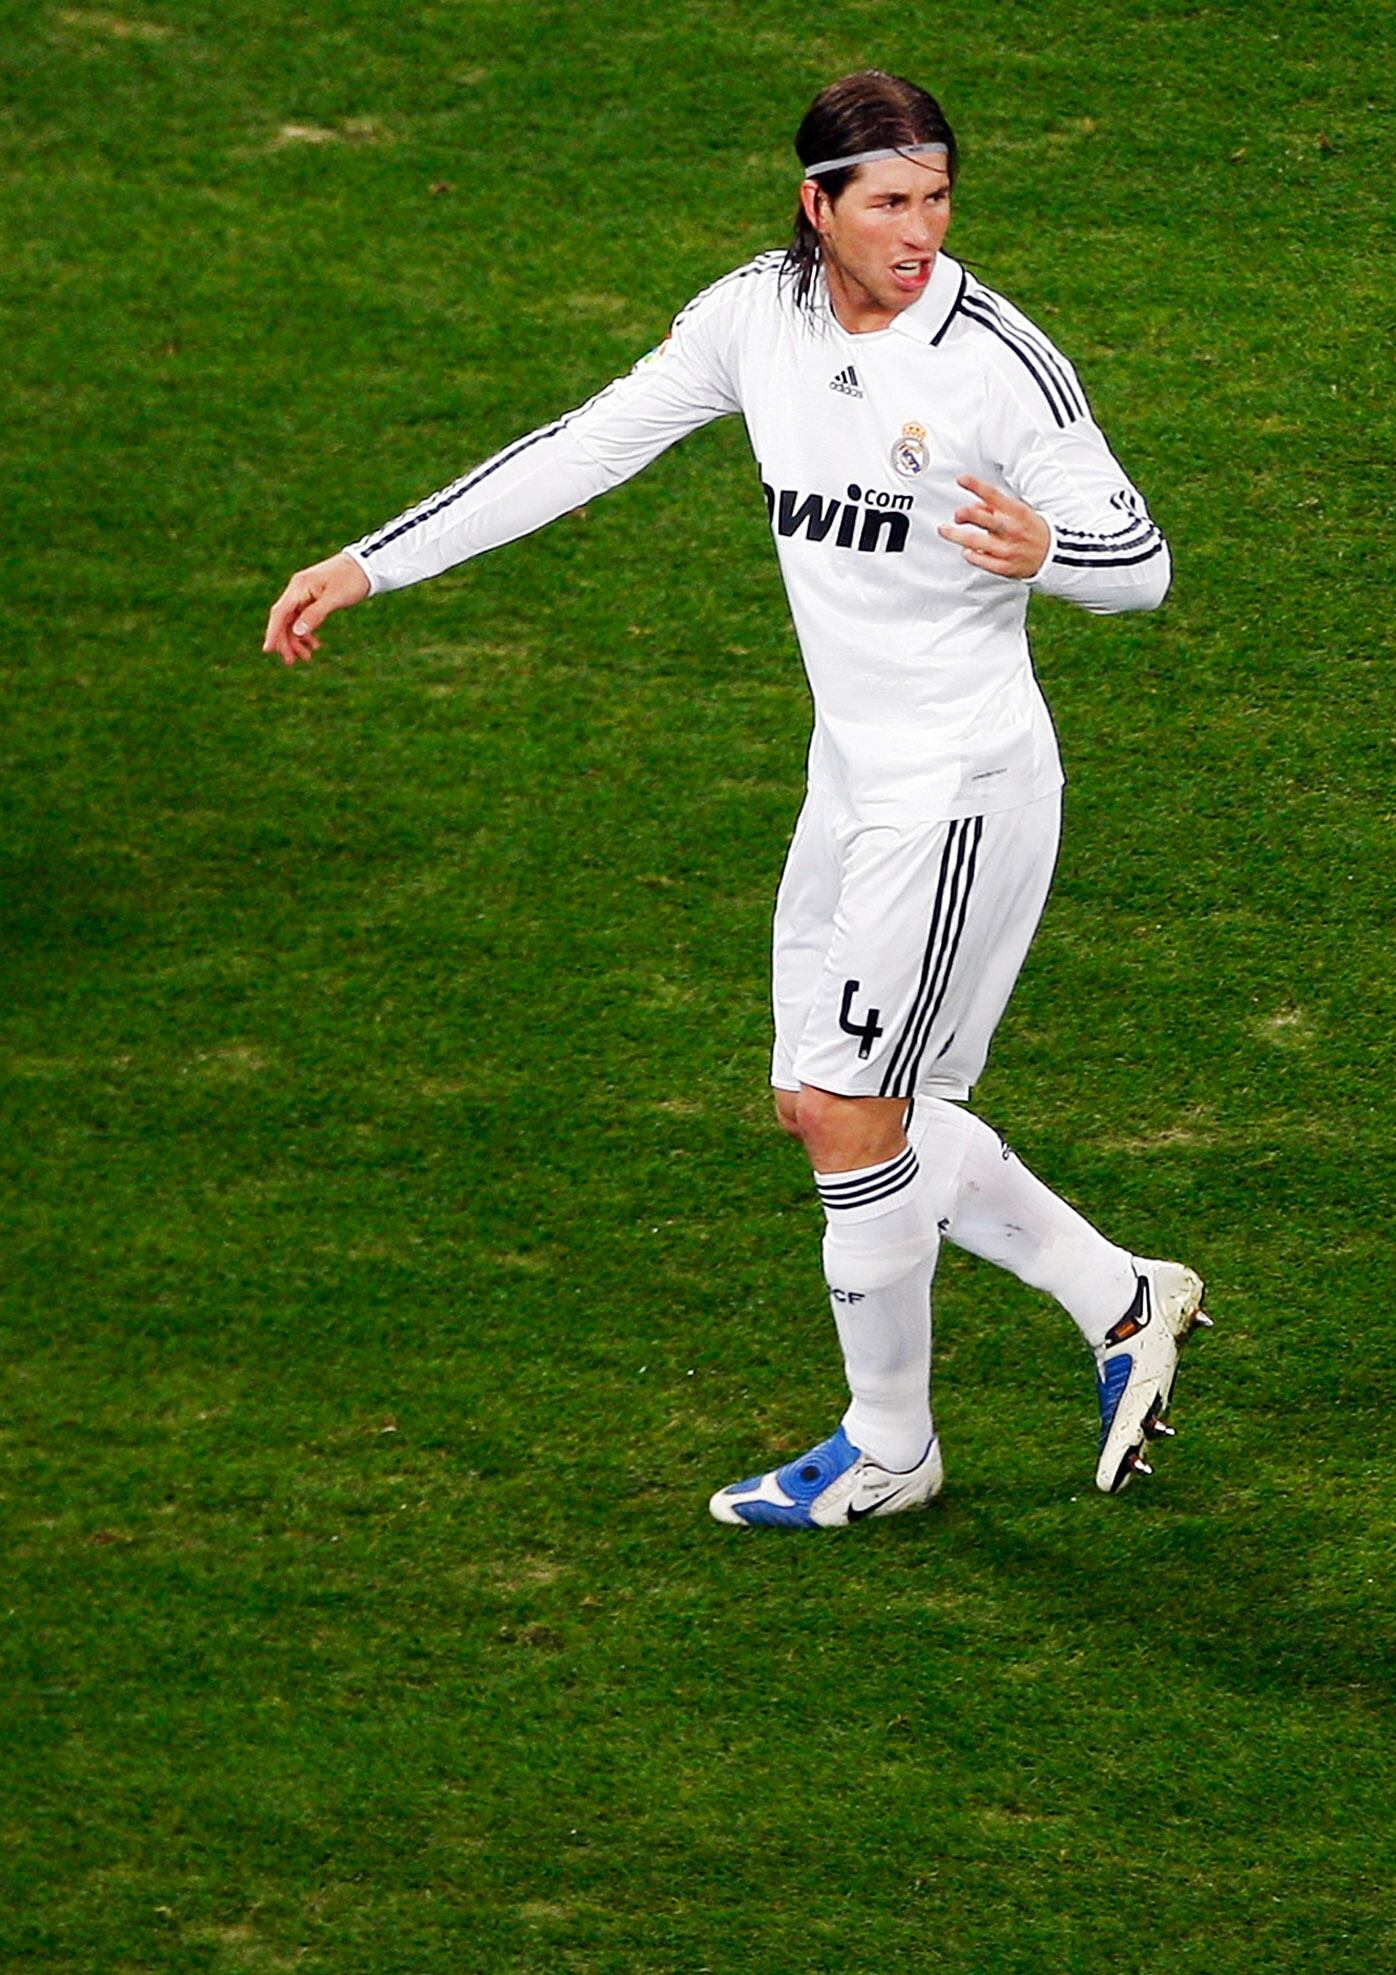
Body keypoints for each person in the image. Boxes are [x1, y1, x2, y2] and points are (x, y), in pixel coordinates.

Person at [261, 70, 1205, 1522]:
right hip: (851, 784)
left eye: (938, 198)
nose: (922, 230)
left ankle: (893, 1449)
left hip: (956, 793)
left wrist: (1051, 556)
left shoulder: (996, 363)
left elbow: (1140, 565)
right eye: (890, 203)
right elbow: (586, 444)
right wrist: (370, 562)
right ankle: (1122, 1298)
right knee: (816, 1108)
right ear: (817, 205)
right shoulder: (755, 319)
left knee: (855, 1114)